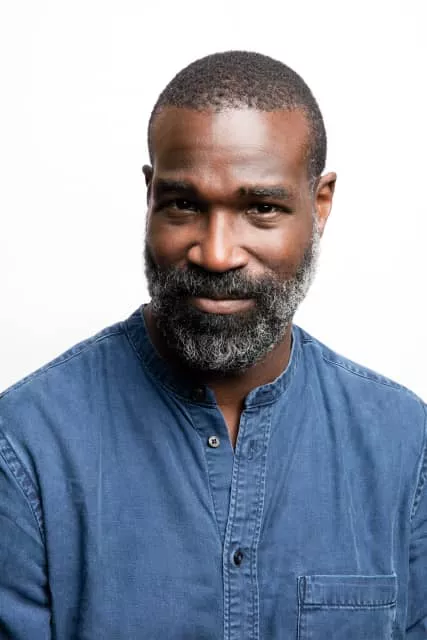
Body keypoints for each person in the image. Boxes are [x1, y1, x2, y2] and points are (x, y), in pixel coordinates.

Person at [0, 50, 425, 639]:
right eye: (184, 205)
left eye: (262, 208)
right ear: (149, 195)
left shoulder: (405, 444)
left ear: (320, 205)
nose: (217, 254)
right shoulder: (25, 445)